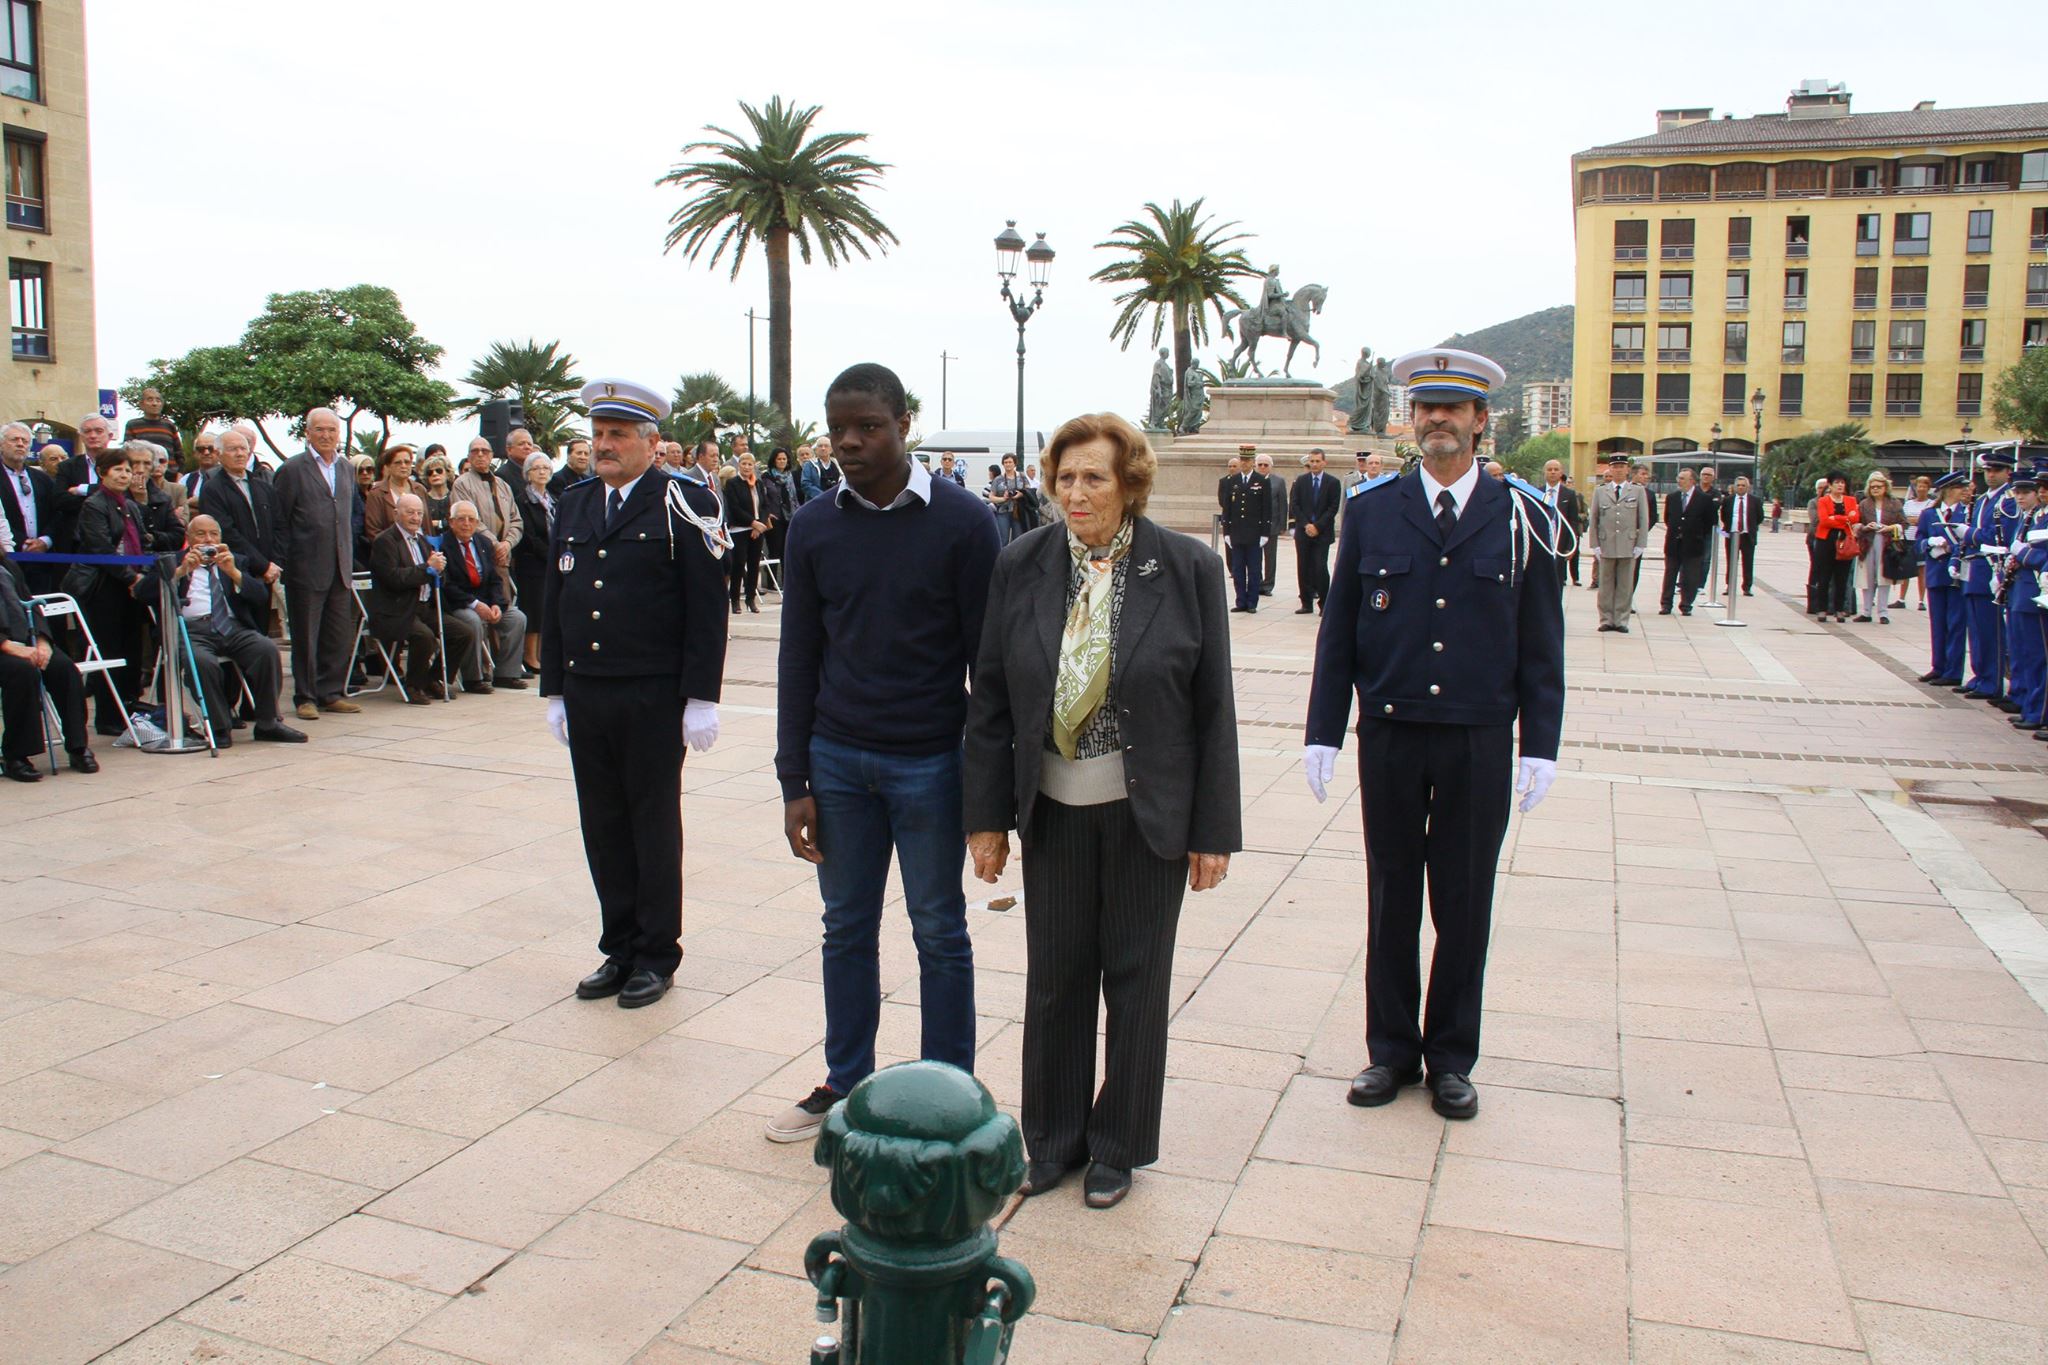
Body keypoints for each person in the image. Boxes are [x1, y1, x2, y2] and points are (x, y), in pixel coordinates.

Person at [965, 411, 1239, 1209]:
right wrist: (985, 818)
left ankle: (1117, 1145)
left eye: (1094, 477)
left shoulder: (1184, 567)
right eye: (1065, 476)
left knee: (1137, 980)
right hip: (1053, 807)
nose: (1075, 492)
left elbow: (1213, 706)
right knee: (1055, 981)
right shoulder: (1021, 563)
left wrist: (1213, 829)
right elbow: (990, 701)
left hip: (1146, 812)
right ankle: (1051, 1140)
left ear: (1130, 485)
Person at [1302, 348, 1564, 1123]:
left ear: (1482, 420)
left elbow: (1542, 640)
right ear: (1410, 419)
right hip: (1391, 731)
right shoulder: (1375, 508)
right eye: (1425, 408)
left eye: (1453, 409)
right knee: (1390, 895)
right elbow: (1340, 630)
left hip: (1478, 737)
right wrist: (1324, 728)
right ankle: (1390, 1050)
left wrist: (1539, 741)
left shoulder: (1521, 513)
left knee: (1463, 899)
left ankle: (1451, 1056)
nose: (1437, 421)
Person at [769, 362, 999, 1145]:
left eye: (868, 425)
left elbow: (987, 664)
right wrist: (793, 777)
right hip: (837, 761)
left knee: (939, 928)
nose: (851, 442)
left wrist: (986, 784)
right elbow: (798, 655)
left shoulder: (966, 523)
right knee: (845, 926)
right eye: (838, 428)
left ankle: (949, 1090)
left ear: (906, 423)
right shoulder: (812, 525)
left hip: (931, 762)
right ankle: (846, 1080)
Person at [542, 378, 727, 1009]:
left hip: (653, 694)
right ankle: (618, 948)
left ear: (652, 442)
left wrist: (701, 696)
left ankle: (656, 953)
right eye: (597, 435)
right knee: (603, 824)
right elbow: (556, 595)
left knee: (651, 824)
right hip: (589, 692)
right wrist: (555, 688)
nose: (604, 446)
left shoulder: (686, 501)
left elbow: (707, 607)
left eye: (617, 435)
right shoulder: (574, 502)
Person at [132, 515, 305, 747]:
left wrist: (234, 573)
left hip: (232, 627)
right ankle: (219, 727)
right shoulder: (172, 560)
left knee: (266, 650)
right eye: (201, 534)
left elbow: (260, 596)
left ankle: (268, 722)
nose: (208, 540)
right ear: (189, 538)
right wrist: (181, 571)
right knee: (202, 662)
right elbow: (143, 592)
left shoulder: (235, 561)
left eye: (213, 534)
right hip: (191, 629)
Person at [272, 407, 361, 721]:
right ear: (307, 433)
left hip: (340, 565)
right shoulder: (292, 469)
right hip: (305, 567)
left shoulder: (347, 468)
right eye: (319, 430)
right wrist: (282, 563)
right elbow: (280, 520)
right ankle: (306, 696)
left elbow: (352, 516)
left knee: (337, 634)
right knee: (306, 637)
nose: (326, 435)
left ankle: (331, 692)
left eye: (331, 430)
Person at [73, 446, 153, 735]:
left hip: (131, 587)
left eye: (128, 470)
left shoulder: (129, 506)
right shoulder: (94, 505)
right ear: (102, 473)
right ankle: (109, 715)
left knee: (133, 647)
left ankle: (129, 704)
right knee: (110, 649)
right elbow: (101, 548)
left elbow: (141, 543)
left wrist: (141, 575)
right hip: (105, 587)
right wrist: (130, 578)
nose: (124, 475)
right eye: (118, 469)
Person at [366, 492, 472, 702]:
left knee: (463, 633)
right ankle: (413, 686)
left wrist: (439, 569)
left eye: (419, 513)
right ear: (397, 514)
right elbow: (394, 578)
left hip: (423, 607)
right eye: (410, 513)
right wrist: (427, 568)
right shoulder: (385, 541)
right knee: (425, 638)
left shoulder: (422, 541)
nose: (415, 518)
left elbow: (435, 576)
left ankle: (431, 679)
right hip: (396, 610)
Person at [0, 563, 95, 781]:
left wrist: (43, 641)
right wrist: (6, 646)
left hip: (25, 640)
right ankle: (16, 755)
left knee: (64, 668)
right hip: (5, 648)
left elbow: (32, 607)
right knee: (23, 672)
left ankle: (78, 746)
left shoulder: (8, 566)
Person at [439, 501, 528, 693]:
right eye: (461, 519)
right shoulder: (442, 544)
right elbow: (447, 585)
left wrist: (496, 604)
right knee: (472, 621)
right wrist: (475, 604)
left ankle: (506, 674)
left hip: (487, 601)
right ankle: (474, 678)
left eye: (471, 519)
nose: (466, 523)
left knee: (517, 618)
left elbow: (495, 580)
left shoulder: (483, 543)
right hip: (459, 603)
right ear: (451, 522)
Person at [1961, 450, 2019, 707]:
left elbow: (1997, 538)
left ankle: (1992, 681)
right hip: (1975, 568)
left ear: (2008, 473)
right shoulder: (1984, 498)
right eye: (1987, 470)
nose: (1991, 474)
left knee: (1991, 630)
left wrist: (1969, 534)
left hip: (1990, 567)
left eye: (1996, 470)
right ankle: (1980, 674)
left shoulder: (2008, 501)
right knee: (1976, 629)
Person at [2002, 464, 2047, 734]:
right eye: (2040, 488)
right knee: (2028, 654)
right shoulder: (2036, 518)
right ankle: (2033, 707)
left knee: (2039, 656)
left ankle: (2038, 710)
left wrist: (2023, 555)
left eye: (2043, 489)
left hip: (2036, 592)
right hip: (2024, 591)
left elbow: (2040, 556)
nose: (2041, 493)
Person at [1917, 471, 1971, 686]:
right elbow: (1919, 539)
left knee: (1956, 623)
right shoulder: (1930, 514)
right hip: (1936, 572)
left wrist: (1952, 547)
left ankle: (1953, 671)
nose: (1964, 491)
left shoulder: (1967, 513)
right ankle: (1938, 666)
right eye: (1960, 487)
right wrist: (1929, 543)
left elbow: (1969, 538)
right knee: (1938, 623)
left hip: (1956, 572)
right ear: (1948, 490)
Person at [1, 422, 62, 592]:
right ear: (1, 444)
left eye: (25, 441)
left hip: (42, 561)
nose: (21, 444)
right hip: (8, 558)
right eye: (14, 439)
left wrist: (45, 540)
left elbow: (57, 513)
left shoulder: (41, 479)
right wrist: (22, 543)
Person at [512, 451, 556, 672]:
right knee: (533, 610)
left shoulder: (552, 499)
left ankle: (539, 654)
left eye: (546, 468)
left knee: (546, 610)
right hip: (532, 563)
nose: (542, 472)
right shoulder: (523, 501)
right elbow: (529, 535)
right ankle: (529, 656)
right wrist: (550, 555)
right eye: (537, 468)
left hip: (551, 562)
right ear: (527, 473)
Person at [452, 437, 522, 573]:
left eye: (484, 451)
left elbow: (516, 520)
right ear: (468, 457)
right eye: (475, 451)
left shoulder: (503, 485)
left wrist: (507, 544)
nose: (480, 454)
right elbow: (468, 521)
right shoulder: (461, 484)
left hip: (504, 557)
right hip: (477, 556)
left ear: (491, 455)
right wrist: (495, 545)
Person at [1290, 448, 1341, 614]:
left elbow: (1332, 508)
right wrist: (1306, 525)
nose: (1314, 464)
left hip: (1322, 533)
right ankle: (1306, 603)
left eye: (1317, 461)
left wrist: (1317, 526)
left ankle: (1324, 603)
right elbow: (1295, 505)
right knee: (1303, 567)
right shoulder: (1301, 481)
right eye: (1311, 461)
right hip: (1303, 532)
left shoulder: (1332, 482)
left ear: (1324, 462)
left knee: (1320, 567)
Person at [1219, 452, 1270, 612]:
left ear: (1253, 462)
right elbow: (1227, 508)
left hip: (1254, 533)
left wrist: (1265, 533)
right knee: (1238, 570)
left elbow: (1266, 508)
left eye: (1247, 460)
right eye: (1242, 460)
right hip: (1237, 533)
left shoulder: (1261, 481)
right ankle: (1240, 601)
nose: (1244, 463)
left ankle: (1252, 602)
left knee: (1254, 570)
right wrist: (1226, 531)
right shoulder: (1232, 481)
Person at [1854, 471, 1905, 624]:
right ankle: (1866, 612)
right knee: (1867, 578)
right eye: (1873, 486)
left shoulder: (1894, 503)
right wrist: (1865, 527)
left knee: (1884, 578)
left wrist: (1890, 528)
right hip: (1867, 543)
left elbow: (1904, 523)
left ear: (1885, 487)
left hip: (1887, 543)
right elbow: (1856, 524)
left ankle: (1883, 613)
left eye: (1879, 486)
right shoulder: (1864, 504)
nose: (1875, 489)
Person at [1658, 468, 1710, 616]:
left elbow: (1709, 522)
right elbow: (1668, 518)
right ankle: (1666, 604)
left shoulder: (1703, 499)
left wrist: (1695, 533)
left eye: (1682, 478)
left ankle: (1686, 604)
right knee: (1670, 574)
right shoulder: (1672, 497)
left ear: (1692, 481)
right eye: (1678, 477)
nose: (1679, 481)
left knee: (1690, 576)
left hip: (1693, 544)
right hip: (1673, 543)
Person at [722, 452, 770, 614]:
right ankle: (735, 599)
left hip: (757, 530)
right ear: (739, 465)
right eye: (744, 464)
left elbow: (764, 506)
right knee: (738, 564)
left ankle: (751, 599)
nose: (747, 467)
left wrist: (759, 524)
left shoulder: (758, 483)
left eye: (750, 464)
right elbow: (735, 508)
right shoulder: (733, 484)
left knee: (754, 564)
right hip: (740, 529)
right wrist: (752, 522)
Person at [1810, 474, 1860, 624]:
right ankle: (1822, 609)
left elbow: (1855, 518)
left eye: (1842, 483)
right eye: (1837, 483)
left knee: (1842, 576)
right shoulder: (1823, 501)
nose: (1840, 486)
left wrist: (1836, 518)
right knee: (1824, 576)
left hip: (1845, 540)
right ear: (1830, 486)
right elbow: (1824, 520)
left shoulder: (1851, 500)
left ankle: (1839, 609)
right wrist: (1844, 519)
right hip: (1826, 541)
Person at [1538, 459, 1585, 589]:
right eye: (1549, 469)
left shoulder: (1569, 495)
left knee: (1558, 582)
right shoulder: (1537, 493)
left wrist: (1571, 546)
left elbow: (1573, 521)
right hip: (1542, 543)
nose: (1552, 472)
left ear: (1561, 473)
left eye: (1556, 469)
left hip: (1560, 544)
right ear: (1544, 472)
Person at [1718, 474, 1763, 596]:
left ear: (1748, 487)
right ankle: (1730, 585)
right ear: (1735, 487)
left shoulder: (1755, 501)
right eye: (1738, 485)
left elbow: (1759, 517)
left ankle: (1747, 587)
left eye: (1743, 485)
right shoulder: (1728, 500)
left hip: (1747, 535)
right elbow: (1724, 516)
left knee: (1748, 562)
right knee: (1731, 561)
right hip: (1732, 535)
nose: (1741, 487)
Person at [121, 388, 182, 468]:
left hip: (170, 474)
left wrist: (179, 474)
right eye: (150, 400)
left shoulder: (169, 425)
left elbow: (179, 454)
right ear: (141, 404)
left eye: (158, 400)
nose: (154, 403)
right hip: (144, 473)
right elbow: (127, 452)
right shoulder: (133, 425)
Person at [1901, 474, 1934, 612]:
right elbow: (1904, 519)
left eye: (1924, 486)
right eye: (1919, 486)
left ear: (1928, 488)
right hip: (1907, 538)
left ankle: (1921, 600)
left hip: (1919, 539)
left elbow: (1924, 521)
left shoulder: (1931, 504)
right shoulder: (1908, 503)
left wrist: (1915, 520)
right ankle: (1901, 598)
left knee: (1922, 571)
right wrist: (1913, 520)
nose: (1921, 488)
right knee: (1905, 570)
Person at [762, 447, 797, 569]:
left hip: (789, 516)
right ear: (774, 460)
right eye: (779, 459)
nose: (782, 461)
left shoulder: (790, 476)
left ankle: (785, 582)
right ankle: (771, 583)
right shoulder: (766, 477)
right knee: (774, 550)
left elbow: (794, 497)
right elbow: (763, 497)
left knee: (786, 550)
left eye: (784, 459)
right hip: (774, 517)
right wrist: (767, 514)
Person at [1257, 453, 1286, 596]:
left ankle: (1268, 585)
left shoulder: (1278, 482)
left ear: (1271, 467)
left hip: (1272, 526)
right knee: (1255, 557)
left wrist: (1282, 525)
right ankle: (1257, 582)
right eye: (1260, 465)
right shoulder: (1252, 480)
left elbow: (1282, 504)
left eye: (1265, 465)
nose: (1262, 467)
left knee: (1270, 557)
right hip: (1254, 526)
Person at [986, 453, 1029, 546]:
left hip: (1018, 511)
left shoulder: (1022, 477)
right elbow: (991, 497)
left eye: (1010, 462)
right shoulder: (998, 479)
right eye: (1005, 462)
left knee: (1018, 539)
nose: (1008, 464)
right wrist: (1003, 498)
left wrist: (1019, 494)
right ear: (1003, 464)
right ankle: (1002, 559)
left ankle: (1016, 559)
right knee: (1003, 539)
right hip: (1002, 512)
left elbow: (1029, 491)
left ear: (1015, 464)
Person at [419, 448, 456, 537]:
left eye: (439, 471)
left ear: (447, 473)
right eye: (430, 472)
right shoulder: (422, 500)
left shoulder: (456, 497)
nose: (434, 474)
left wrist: (439, 523)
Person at [181, 429, 220, 500]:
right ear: (195, 453)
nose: (206, 453)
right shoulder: (186, 480)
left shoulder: (229, 477)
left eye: (211, 448)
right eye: (201, 449)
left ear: (219, 451)